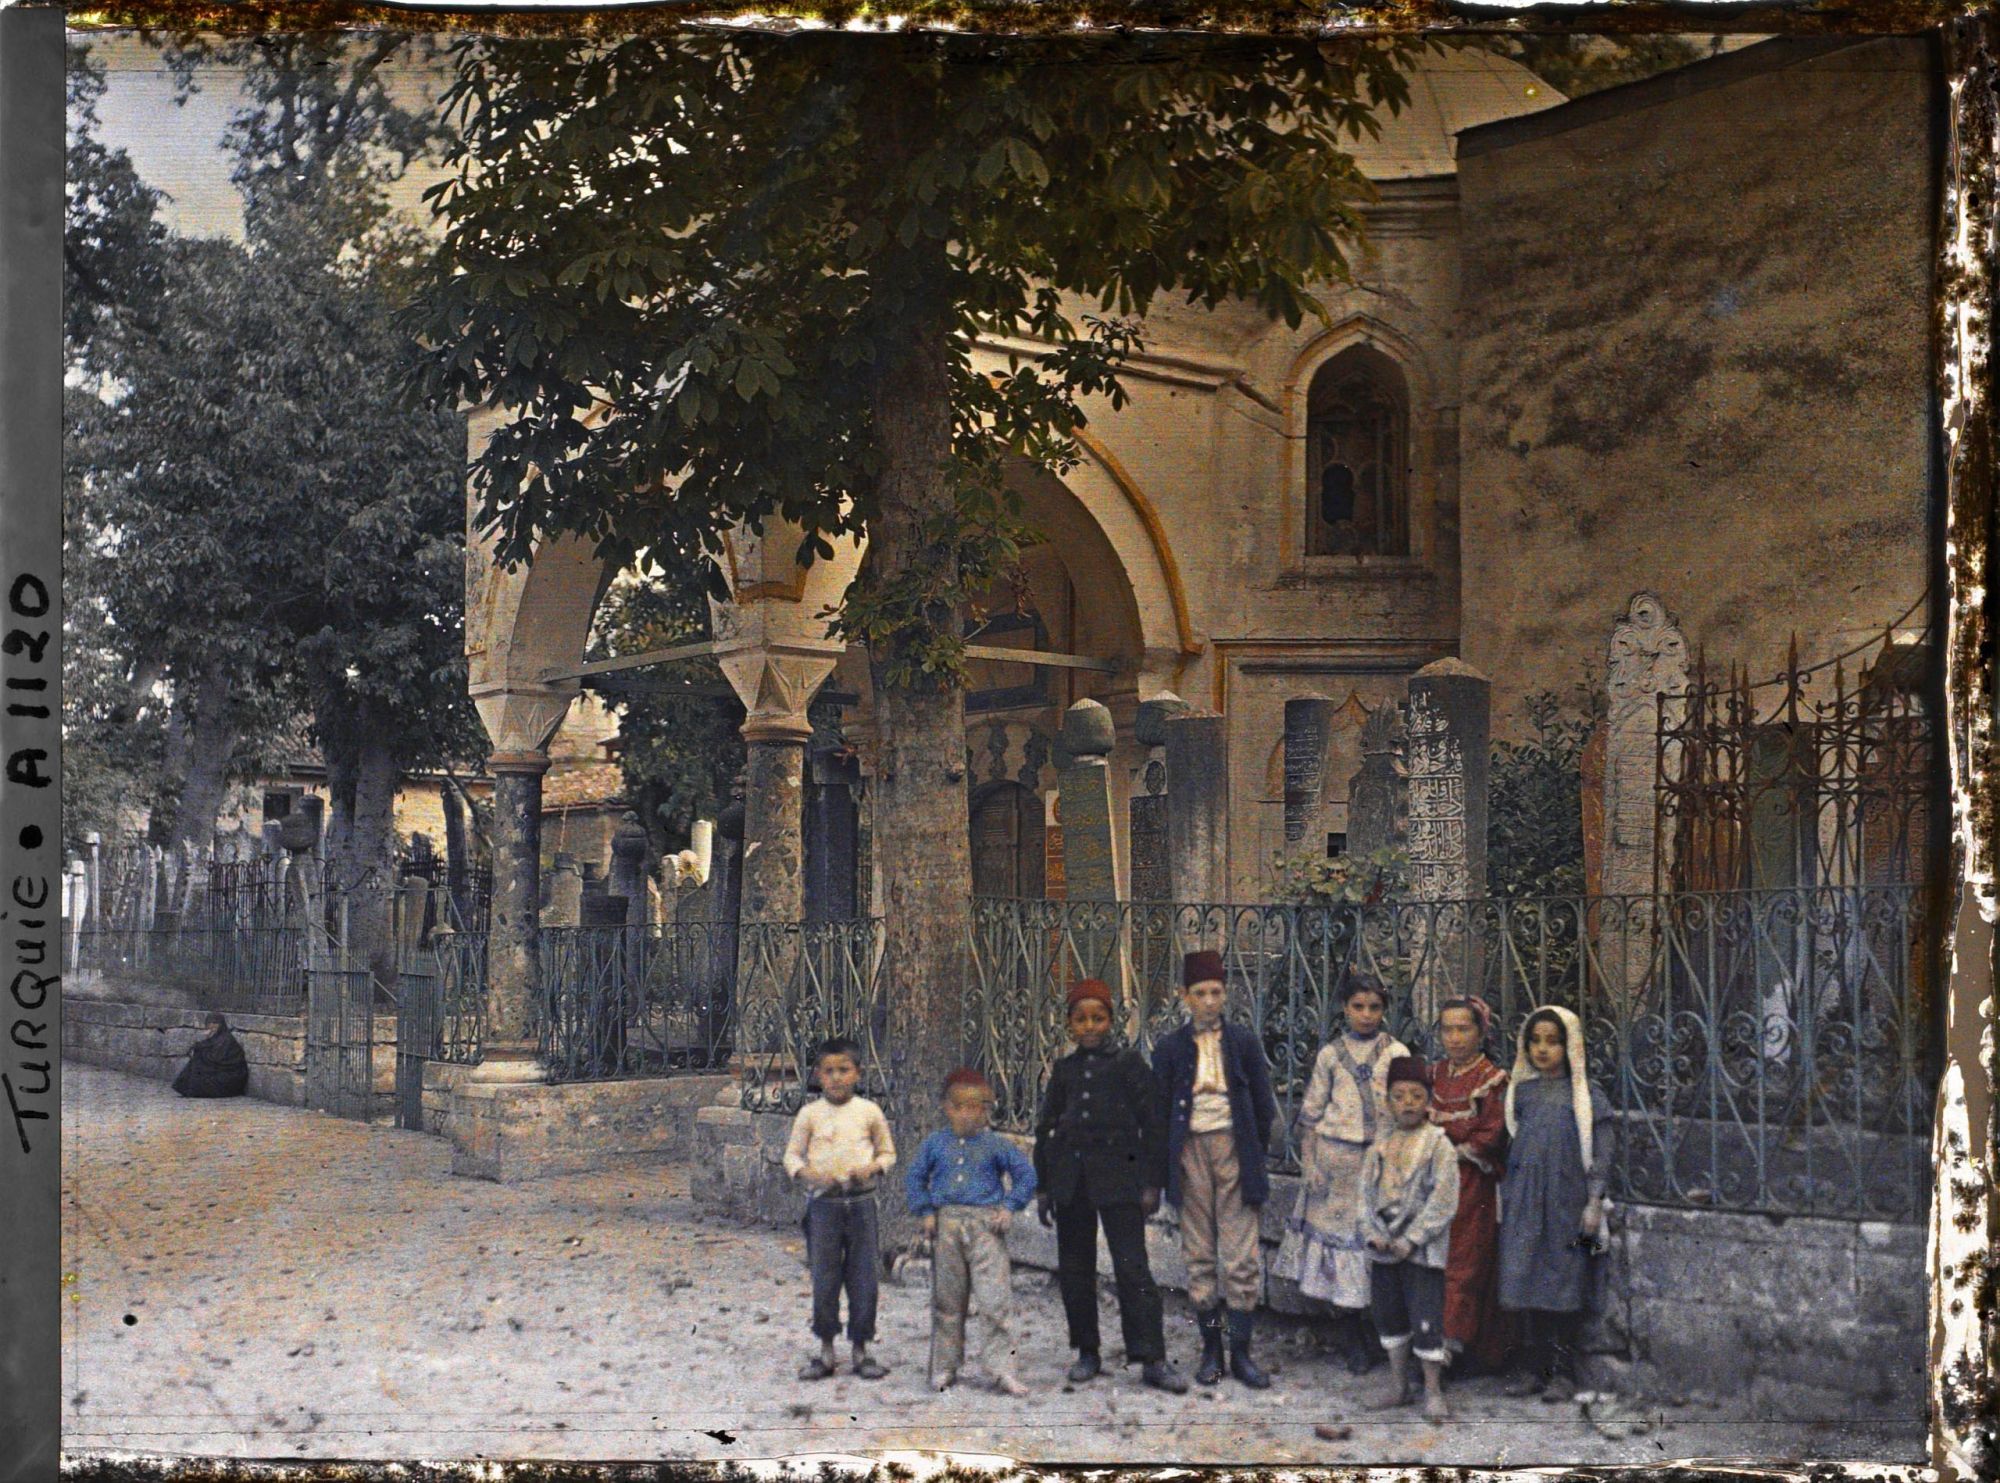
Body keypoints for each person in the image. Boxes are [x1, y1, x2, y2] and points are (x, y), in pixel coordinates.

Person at [1034, 978, 1189, 1394]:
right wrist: (1045, 1187)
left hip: (1121, 1181)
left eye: (1098, 1018)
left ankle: (1151, 1357)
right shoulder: (1064, 1071)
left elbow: (1153, 1126)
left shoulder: (1129, 1066)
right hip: (1072, 1183)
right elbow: (1046, 1129)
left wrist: (1151, 1183)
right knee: (1075, 1268)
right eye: (1081, 1019)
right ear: (1068, 1026)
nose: (1090, 1027)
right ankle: (1087, 1351)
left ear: (1111, 1021)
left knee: (1133, 1266)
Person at [1151, 949, 1279, 1388]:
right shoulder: (1169, 1049)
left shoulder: (1243, 1042)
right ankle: (1211, 1351)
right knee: (1199, 1254)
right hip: (1190, 1154)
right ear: (1184, 996)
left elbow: (1263, 1105)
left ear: (1226, 995)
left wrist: (1251, 1153)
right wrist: (1165, 1169)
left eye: (1216, 992)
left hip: (1234, 1150)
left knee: (1241, 1256)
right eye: (1200, 993)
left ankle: (1241, 1353)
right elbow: (1159, 1111)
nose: (1209, 1001)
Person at [1271, 973, 1410, 1373]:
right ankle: (1353, 1339)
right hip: (1337, 1166)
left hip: (1381, 1162)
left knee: (1377, 1249)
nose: (1366, 1015)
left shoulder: (1396, 1051)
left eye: (1374, 1008)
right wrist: (1311, 1164)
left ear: (1384, 1010)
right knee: (1341, 1254)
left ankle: (1384, 1335)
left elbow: (1408, 1108)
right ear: (1344, 1009)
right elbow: (1311, 1117)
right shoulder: (1331, 1055)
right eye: (1357, 1007)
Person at [1497, 1005, 1615, 1403]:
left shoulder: (1585, 1095)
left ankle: (1563, 1373)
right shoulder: (1521, 1093)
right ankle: (1533, 1367)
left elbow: (1602, 1151)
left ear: (1571, 1046)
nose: (1543, 1049)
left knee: (1566, 1281)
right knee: (1525, 1276)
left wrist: (1594, 1202)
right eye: (1536, 1041)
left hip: (1569, 1206)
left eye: (1553, 1041)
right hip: (1526, 1204)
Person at [905, 1067, 1038, 1396]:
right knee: (947, 1301)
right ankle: (945, 1366)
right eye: (963, 1105)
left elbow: (1026, 1176)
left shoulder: (996, 1145)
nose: (972, 1113)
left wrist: (1009, 1206)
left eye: (981, 1106)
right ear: (947, 1108)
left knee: (995, 1301)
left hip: (985, 1228)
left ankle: (1002, 1368)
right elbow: (914, 1178)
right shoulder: (935, 1144)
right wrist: (924, 1211)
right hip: (947, 1225)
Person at [784, 1036, 897, 1382]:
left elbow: (888, 1153)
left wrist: (873, 1168)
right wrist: (809, 1174)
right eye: (828, 1071)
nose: (836, 1078)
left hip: (861, 1205)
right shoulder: (810, 1114)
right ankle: (826, 1351)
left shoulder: (869, 1112)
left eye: (844, 1070)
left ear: (858, 1074)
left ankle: (862, 1350)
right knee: (825, 1278)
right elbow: (791, 1156)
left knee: (864, 1279)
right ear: (817, 1075)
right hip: (824, 1208)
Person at [1358, 1056, 1460, 1422]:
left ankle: (1432, 1391)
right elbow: (1364, 1195)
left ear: (1429, 1100)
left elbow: (1443, 1201)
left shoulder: (1438, 1145)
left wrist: (1413, 1238)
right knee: (1389, 1316)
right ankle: (1399, 1385)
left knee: (1426, 1318)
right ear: (1388, 1102)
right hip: (1385, 1247)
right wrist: (1373, 1233)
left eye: (1417, 1095)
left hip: (1421, 1251)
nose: (1408, 1103)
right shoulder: (1379, 1147)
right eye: (1399, 1096)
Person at [1427, 996, 1510, 1371]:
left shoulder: (1490, 1079)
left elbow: (1491, 1135)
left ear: (1481, 1032)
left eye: (1464, 1029)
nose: (1455, 1038)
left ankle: (1452, 1349)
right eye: (1448, 1029)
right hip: (1431, 1183)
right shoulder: (1432, 1075)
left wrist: (1453, 1150)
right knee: (1432, 1262)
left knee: (1464, 1263)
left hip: (1471, 1185)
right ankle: (1429, 1342)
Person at [173, 1014, 249, 1099]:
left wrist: (201, 1053)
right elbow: (205, 1045)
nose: (211, 1026)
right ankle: (185, 1088)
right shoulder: (217, 1037)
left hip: (230, 1074)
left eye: (215, 1023)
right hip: (219, 1069)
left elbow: (216, 1059)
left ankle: (192, 1089)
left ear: (220, 1024)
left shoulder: (226, 1039)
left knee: (199, 1062)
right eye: (210, 1023)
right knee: (197, 1061)